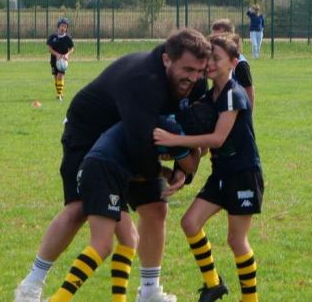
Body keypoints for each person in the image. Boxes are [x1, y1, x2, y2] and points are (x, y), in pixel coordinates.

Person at [14, 28, 212, 302]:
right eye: (188, 69)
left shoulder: (194, 81)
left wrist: (181, 170)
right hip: (89, 134)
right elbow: (139, 145)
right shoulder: (144, 80)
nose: (193, 78)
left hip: (130, 136)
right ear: (167, 59)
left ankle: (150, 291)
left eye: (200, 71)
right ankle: (30, 286)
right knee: (78, 208)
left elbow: (188, 128)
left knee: (156, 208)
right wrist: (162, 171)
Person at [46, 103, 216, 302]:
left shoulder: (166, 125)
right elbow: (188, 164)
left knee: (129, 239)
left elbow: (137, 168)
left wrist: (164, 170)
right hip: (102, 173)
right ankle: (58, 299)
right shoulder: (173, 132)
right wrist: (189, 153)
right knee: (102, 245)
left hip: (101, 168)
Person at [154, 34, 264, 302]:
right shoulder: (207, 94)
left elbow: (217, 138)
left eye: (217, 58)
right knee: (190, 222)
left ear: (233, 63)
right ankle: (213, 284)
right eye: (209, 57)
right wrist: (181, 165)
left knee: (236, 241)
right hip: (221, 173)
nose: (210, 63)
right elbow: (201, 136)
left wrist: (174, 141)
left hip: (243, 174)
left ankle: (250, 300)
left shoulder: (233, 94)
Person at [211, 19, 255, 109]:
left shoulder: (240, 63)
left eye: (220, 36)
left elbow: (249, 90)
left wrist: (249, 114)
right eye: (214, 37)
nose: (215, 41)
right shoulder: (215, 61)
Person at [47, 18, 75, 101]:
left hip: (63, 60)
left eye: (65, 27)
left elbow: (72, 48)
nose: (63, 28)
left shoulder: (67, 38)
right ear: (58, 27)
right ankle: (59, 92)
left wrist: (67, 55)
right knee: (56, 77)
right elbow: (49, 49)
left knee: (60, 76)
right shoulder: (53, 37)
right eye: (62, 26)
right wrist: (57, 54)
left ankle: (59, 95)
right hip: (54, 60)